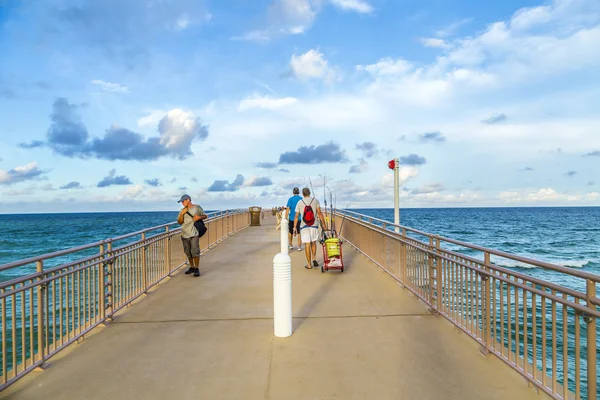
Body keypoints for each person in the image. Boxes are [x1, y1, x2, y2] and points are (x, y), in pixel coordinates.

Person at [293, 187, 327, 269]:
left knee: (307, 244)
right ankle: (314, 258)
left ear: (303, 194)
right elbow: (319, 213)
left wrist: (294, 228)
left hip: (304, 226)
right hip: (314, 225)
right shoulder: (315, 201)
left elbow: (296, 216)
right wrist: (324, 224)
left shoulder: (299, 202)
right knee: (314, 242)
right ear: (310, 193)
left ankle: (309, 264)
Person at [176, 194, 207, 277]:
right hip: (184, 234)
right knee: (188, 252)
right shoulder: (182, 210)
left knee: (195, 250)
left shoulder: (197, 207)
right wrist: (182, 214)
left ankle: (196, 268)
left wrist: (199, 217)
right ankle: (192, 267)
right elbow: (179, 222)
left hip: (194, 233)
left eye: (183, 201)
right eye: (181, 202)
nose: (182, 203)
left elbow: (205, 216)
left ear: (188, 200)